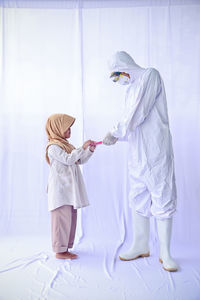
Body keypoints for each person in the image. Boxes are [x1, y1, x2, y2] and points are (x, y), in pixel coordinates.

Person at [103, 51, 178, 272]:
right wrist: (117, 135)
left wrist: (114, 132)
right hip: (137, 153)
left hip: (156, 151)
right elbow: (130, 120)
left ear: (125, 67)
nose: (118, 81)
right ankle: (140, 245)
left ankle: (165, 253)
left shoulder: (150, 76)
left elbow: (138, 113)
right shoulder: (130, 89)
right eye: (113, 78)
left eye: (117, 76)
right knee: (138, 197)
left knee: (162, 196)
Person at [45, 113, 96, 259]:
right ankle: (60, 250)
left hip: (69, 190)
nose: (69, 131)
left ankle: (65, 247)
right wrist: (82, 147)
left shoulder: (66, 146)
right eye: (66, 128)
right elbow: (68, 159)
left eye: (70, 129)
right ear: (57, 128)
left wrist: (89, 151)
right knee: (61, 220)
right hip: (60, 191)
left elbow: (78, 160)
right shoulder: (53, 148)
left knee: (70, 218)